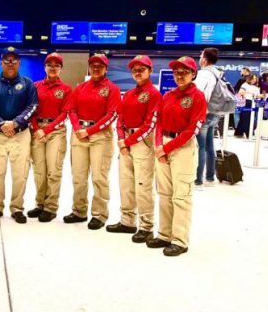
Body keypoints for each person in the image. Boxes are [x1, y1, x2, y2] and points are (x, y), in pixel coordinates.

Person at [149, 56, 206, 257]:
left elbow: (192, 129)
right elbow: (159, 122)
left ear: (193, 74)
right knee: (164, 193)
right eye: (176, 72)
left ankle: (179, 240)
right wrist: (159, 146)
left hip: (183, 149)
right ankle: (165, 235)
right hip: (164, 145)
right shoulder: (168, 95)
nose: (180, 76)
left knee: (181, 196)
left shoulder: (198, 97)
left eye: (184, 72)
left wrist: (167, 148)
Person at [107, 55, 161, 243]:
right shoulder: (129, 94)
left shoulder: (154, 94)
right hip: (126, 143)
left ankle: (146, 226)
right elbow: (120, 118)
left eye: (142, 69)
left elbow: (150, 123)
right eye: (134, 70)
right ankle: (127, 221)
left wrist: (128, 141)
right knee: (126, 183)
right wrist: (121, 139)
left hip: (142, 142)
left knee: (143, 185)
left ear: (150, 71)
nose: (138, 73)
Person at [64, 53, 120, 230]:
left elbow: (111, 115)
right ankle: (79, 210)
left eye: (100, 65)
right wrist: (77, 129)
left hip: (100, 136)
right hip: (79, 134)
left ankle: (99, 214)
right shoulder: (80, 87)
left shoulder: (112, 89)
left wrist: (89, 131)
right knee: (78, 176)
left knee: (99, 177)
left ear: (106, 69)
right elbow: (71, 110)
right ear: (89, 67)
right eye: (93, 65)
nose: (96, 68)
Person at [0, 47, 38, 224]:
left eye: (14, 60)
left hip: (21, 135)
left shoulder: (28, 83)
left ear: (19, 63)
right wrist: (2, 124)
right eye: (7, 60)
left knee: (20, 174)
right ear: (1, 63)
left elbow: (32, 106)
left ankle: (17, 208)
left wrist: (15, 123)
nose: (10, 63)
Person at [28, 52, 71, 223]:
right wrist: (37, 129)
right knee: (39, 171)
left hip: (56, 132)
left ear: (61, 68)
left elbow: (65, 113)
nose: (53, 68)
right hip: (37, 131)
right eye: (50, 65)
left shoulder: (66, 89)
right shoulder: (35, 86)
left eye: (56, 65)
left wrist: (47, 130)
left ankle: (51, 207)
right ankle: (40, 204)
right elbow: (31, 110)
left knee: (54, 170)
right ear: (45, 67)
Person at [193, 48, 221, 188]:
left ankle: (198, 180)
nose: (199, 58)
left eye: (200, 56)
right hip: (214, 113)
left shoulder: (203, 73)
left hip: (203, 114)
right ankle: (210, 178)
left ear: (204, 59)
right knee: (210, 146)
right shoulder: (218, 73)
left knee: (201, 147)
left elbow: (196, 94)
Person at [234, 74, 262, 138]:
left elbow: (257, 95)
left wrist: (263, 95)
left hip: (252, 103)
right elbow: (240, 92)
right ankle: (248, 133)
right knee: (246, 118)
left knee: (246, 118)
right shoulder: (245, 85)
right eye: (253, 78)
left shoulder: (255, 87)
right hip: (246, 102)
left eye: (255, 79)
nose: (254, 80)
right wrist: (251, 93)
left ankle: (239, 132)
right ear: (249, 78)